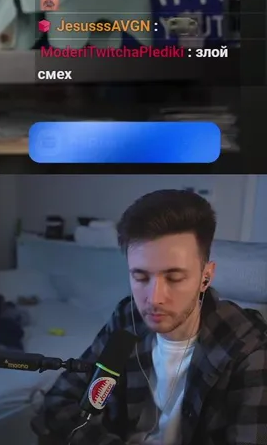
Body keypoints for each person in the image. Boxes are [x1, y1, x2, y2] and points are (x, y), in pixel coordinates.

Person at [32, 189, 267, 444]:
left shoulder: (247, 349)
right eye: (141, 277)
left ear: (206, 277)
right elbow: (60, 401)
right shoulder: (128, 318)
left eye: (174, 278)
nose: (154, 299)